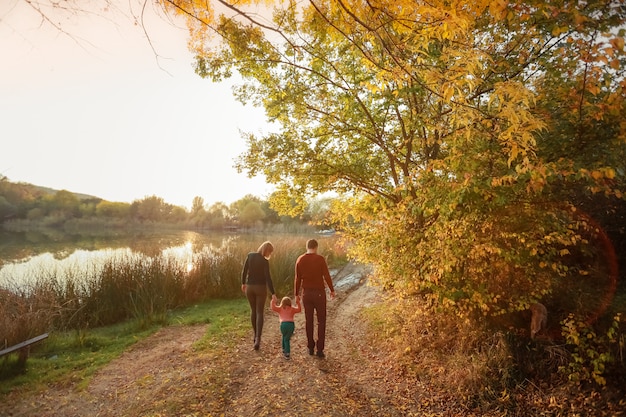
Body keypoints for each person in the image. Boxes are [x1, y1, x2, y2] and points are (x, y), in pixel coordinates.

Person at [294, 239, 335, 358]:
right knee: (321, 321)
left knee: (309, 320)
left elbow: (297, 279)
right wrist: (332, 290)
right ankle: (320, 350)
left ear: (307, 247)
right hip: (319, 294)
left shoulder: (300, 259)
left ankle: (310, 347)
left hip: (306, 293)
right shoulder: (320, 259)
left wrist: (296, 294)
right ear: (316, 247)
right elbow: (326, 275)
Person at [241, 241, 277, 350]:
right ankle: (258, 338)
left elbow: (244, 271)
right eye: (269, 252)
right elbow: (268, 278)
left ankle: (255, 335)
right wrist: (273, 293)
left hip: (250, 288)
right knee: (259, 312)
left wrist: (243, 283)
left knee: (253, 311)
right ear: (267, 251)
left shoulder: (250, 256)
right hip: (261, 288)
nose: (268, 255)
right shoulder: (265, 262)